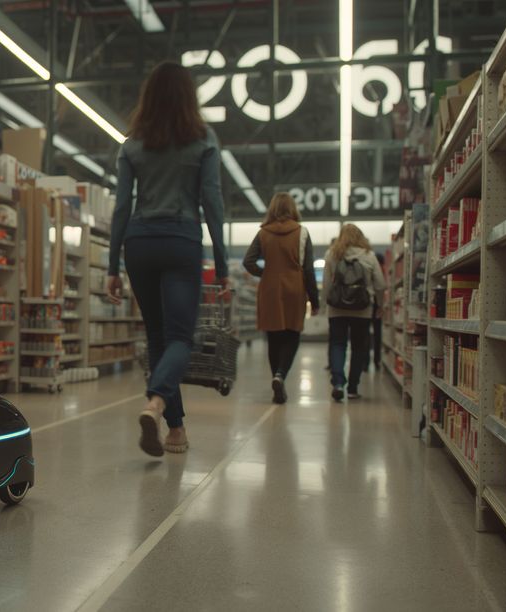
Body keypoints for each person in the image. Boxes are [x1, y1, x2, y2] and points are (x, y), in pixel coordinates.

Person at [106, 61, 228, 457]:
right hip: (180, 239)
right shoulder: (203, 139)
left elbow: (121, 208)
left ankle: (175, 430)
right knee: (180, 338)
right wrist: (222, 262)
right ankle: (155, 402)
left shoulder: (132, 144)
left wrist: (112, 266)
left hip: (139, 242)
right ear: (189, 96)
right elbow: (212, 201)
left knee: (158, 337)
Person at [242, 193, 319, 404]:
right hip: (295, 287)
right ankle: (280, 375)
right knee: (292, 333)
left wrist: (265, 273)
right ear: (293, 208)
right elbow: (308, 270)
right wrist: (315, 301)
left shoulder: (263, 233)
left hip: (269, 288)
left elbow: (248, 261)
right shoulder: (302, 233)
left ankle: (276, 377)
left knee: (273, 336)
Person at [323, 224, 386, 401]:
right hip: (362, 308)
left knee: (338, 344)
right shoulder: (369, 255)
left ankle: (337, 383)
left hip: (336, 309)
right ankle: (352, 388)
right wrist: (380, 305)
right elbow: (380, 284)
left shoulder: (331, 254)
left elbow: (327, 284)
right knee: (359, 347)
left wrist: (323, 304)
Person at [370, 251, 385, 370]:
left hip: (367, 303)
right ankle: (377, 360)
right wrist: (380, 305)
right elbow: (381, 286)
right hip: (377, 303)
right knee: (377, 333)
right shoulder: (381, 271)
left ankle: (364, 363)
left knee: (364, 333)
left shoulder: (369, 267)